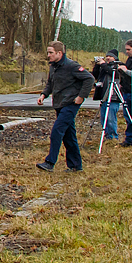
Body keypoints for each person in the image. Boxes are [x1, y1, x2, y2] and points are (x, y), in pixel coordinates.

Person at [36, 41, 92, 171]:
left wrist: (81, 97)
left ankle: (50, 162)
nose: (48, 55)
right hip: (59, 104)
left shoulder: (72, 66)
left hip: (70, 104)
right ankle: (75, 166)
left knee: (57, 131)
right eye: (48, 52)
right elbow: (50, 83)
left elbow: (89, 79)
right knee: (69, 135)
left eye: (51, 53)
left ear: (59, 53)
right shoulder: (53, 66)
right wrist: (43, 95)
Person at [91, 49, 122, 141]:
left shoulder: (118, 66)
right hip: (104, 96)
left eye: (110, 56)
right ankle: (107, 135)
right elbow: (95, 75)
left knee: (111, 118)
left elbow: (113, 74)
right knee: (104, 118)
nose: (108, 58)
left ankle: (113, 137)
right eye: (107, 56)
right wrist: (97, 65)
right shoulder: (104, 67)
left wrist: (103, 64)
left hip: (113, 96)